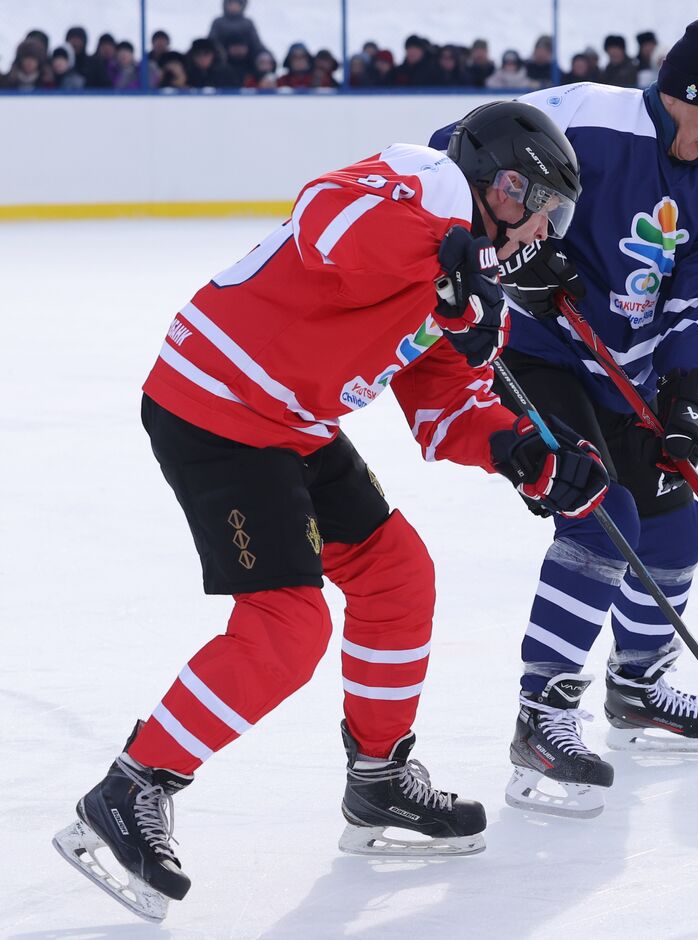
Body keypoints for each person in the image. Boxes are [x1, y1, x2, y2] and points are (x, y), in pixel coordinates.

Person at [52, 105, 607, 923]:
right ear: (506, 182)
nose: (544, 235)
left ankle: (379, 780)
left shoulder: (471, 272)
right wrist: (445, 257)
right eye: (545, 211)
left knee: (397, 572)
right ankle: (131, 789)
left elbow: (445, 407)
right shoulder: (427, 181)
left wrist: (524, 454)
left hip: (294, 422)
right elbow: (327, 224)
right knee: (288, 626)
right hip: (218, 401)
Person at [427, 0, 698, 819]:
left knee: (678, 528)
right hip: (534, 351)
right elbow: (455, 154)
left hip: (628, 373)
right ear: (672, 89)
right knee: (597, 512)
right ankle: (543, 714)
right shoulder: (585, 115)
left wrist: (692, 387)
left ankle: (638, 684)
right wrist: (514, 252)